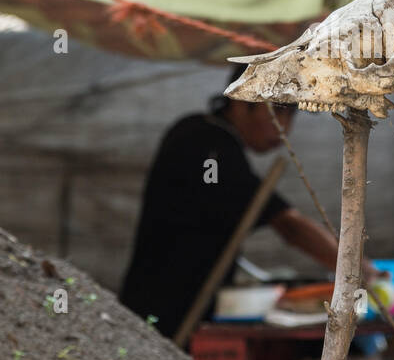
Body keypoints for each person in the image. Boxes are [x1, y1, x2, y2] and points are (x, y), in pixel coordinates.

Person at [120, 64, 365, 339]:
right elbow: (289, 226)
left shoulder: (203, 136)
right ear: (241, 100)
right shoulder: (206, 146)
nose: (284, 127)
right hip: (164, 313)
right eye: (277, 110)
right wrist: (359, 270)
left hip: (169, 307)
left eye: (290, 113)